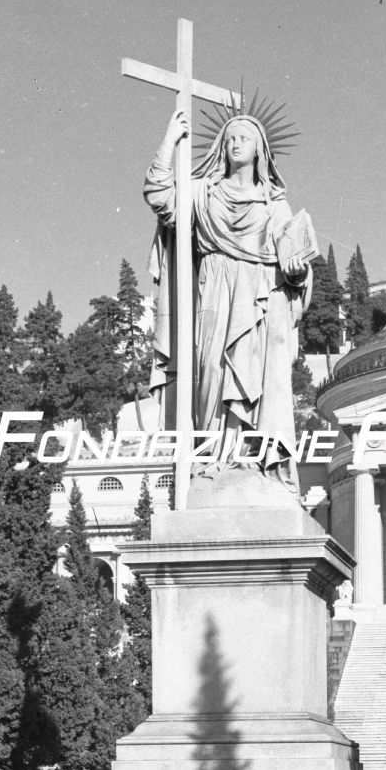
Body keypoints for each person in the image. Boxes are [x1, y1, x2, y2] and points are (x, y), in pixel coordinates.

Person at [144, 109, 312, 490]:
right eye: (231, 138)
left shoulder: (275, 206)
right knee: (211, 375)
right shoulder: (203, 194)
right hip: (213, 294)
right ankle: (211, 460)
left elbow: (295, 271)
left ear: (259, 150)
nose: (236, 144)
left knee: (253, 380)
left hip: (258, 303)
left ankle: (248, 462)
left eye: (244, 138)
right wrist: (169, 140)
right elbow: (158, 195)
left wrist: (298, 271)